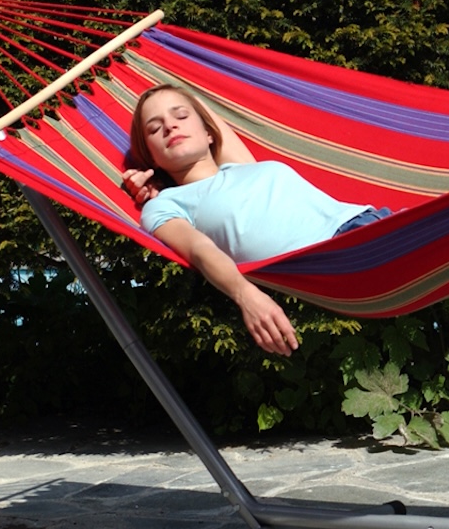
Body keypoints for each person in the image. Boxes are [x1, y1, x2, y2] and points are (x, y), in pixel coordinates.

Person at [121, 84, 387, 356]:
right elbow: (199, 250)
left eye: (181, 115)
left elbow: (200, 106)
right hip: (334, 258)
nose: (170, 126)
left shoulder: (241, 166)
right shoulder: (164, 205)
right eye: (155, 128)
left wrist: (153, 76)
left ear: (208, 133)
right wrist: (245, 295)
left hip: (374, 226)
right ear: (151, 157)